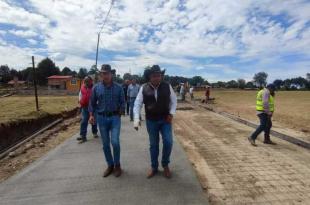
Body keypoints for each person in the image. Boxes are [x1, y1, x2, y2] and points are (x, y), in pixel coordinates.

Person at [133, 65, 177, 179]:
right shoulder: (144, 88)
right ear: (149, 77)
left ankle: (165, 164)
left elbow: (174, 101)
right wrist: (136, 119)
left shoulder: (167, 86)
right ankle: (154, 167)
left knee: (168, 142)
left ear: (161, 76)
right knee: (153, 145)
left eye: (159, 75)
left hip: (165, 119)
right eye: (154, 76)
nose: (157, 78)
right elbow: (137, 104)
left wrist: (171, 113)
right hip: (151, 121)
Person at [89, 64, 125, 177]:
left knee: (115, 142)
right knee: (105, 144)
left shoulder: (119, 88)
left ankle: (117, 165)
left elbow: (123, 102)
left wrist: (121, 111)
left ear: (111, 74)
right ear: (101, 75)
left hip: (115, 118)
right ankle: (110, 165)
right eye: (103, 73)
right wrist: (91, 115)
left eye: (107, 73)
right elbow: (92, 103)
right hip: (102, 118)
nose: (105, 75)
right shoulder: (96, 88)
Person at [77, 76, 98, 143]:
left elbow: (97, 97)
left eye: (87, 81)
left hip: (93, 107)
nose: (86, 83)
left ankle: (94, 132)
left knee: (93, 121)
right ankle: (83, 135)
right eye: (85, 81)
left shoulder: (94, 88)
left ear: (91, 81)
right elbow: (80, 95)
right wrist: (80, 101)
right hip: (85, 107)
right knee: (84, 121)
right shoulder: (82, 87)